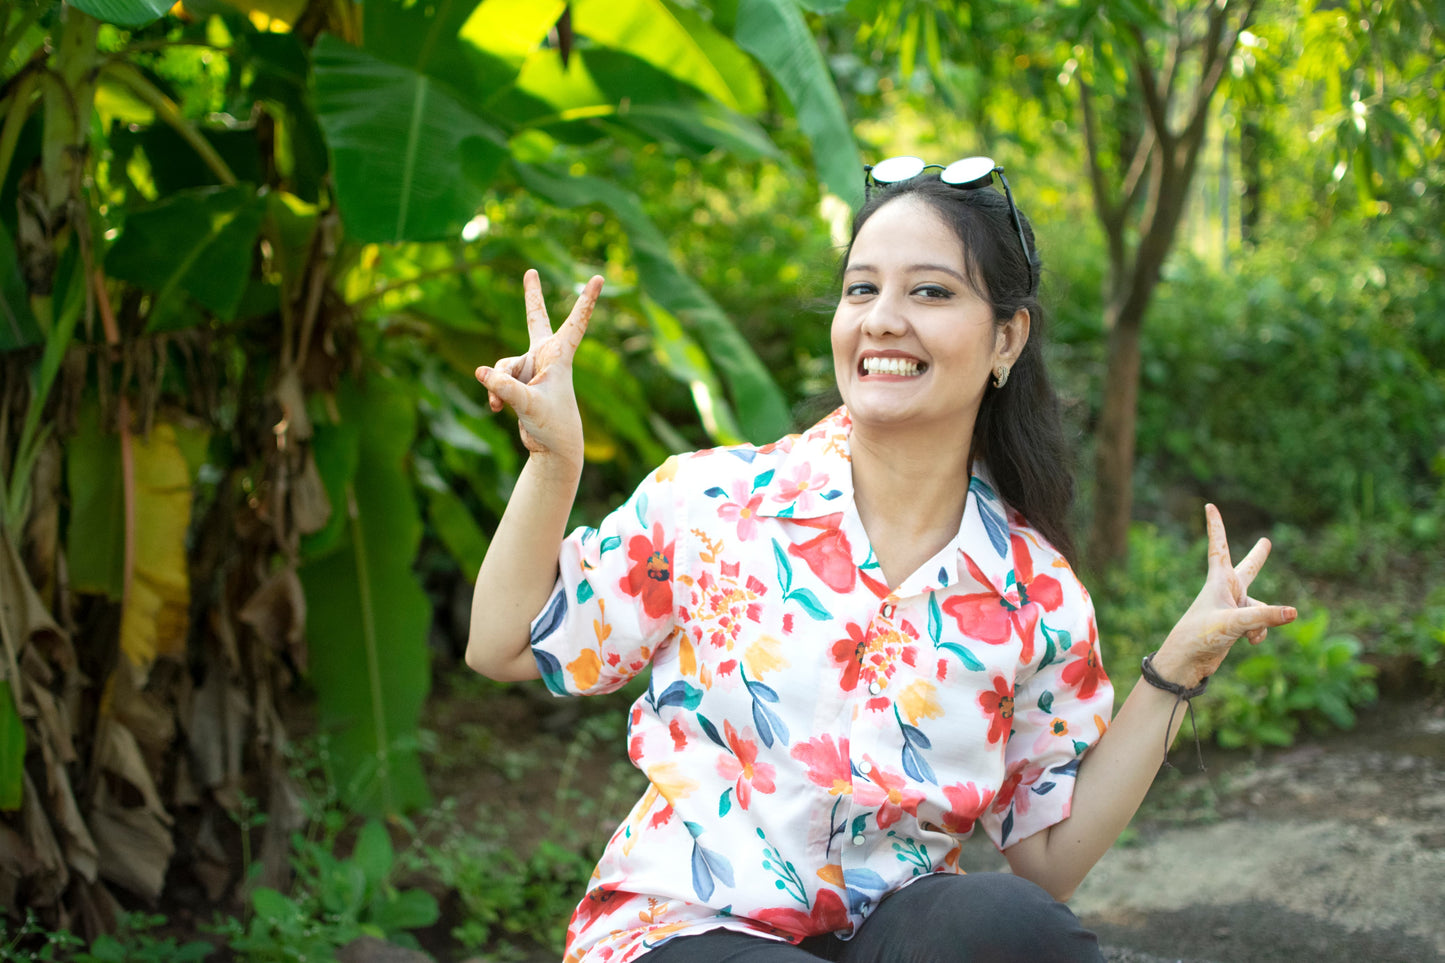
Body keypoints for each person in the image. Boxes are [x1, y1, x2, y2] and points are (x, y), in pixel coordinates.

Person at [466, 157, 1297, 963]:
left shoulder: (1034, 593)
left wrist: (1177, 666)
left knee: (1015, 926)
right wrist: (553, 465)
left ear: (1006, 338)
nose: (882, 318)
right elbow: (502, 642)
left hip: (886, 931)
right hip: (682, 926)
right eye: (861, 288)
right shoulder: (713, 503)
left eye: (928, 291)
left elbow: (1047, 862)